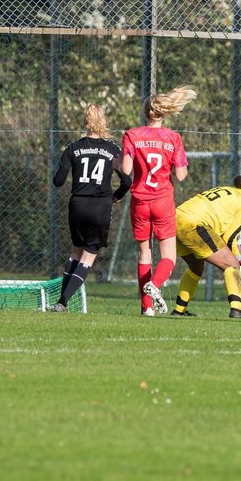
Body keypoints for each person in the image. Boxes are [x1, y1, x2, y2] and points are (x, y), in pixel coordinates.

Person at [121, 86, 196, 315]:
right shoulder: (173, 138)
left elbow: (125, 170)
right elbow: (181, 175)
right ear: (164, 113)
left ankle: (147, 308)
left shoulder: (132, 135)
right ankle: (155, 284)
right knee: (169, 256)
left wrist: (119, 163)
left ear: (146, 113)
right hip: (163, 200)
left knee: (145, 254)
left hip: (140, 201)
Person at [49, 104, 131, 312]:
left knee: (75, 253)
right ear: (103, 121)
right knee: (89, 255)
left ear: (85, 122)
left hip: (77, 205)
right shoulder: (111, 149)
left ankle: (61, 300)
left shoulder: (73, 148)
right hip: (100, 206)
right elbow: (127, 181)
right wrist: (116, 196)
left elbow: (58, 181)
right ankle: (62, 302)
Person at [169, 169, 241, 319]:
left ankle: (178, 310)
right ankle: (237, 309)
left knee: (196, 267)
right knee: (231, 265)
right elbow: (229, 237)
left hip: (173, 220)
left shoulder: (227, 190)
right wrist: (237, 257)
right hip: (193, 225)